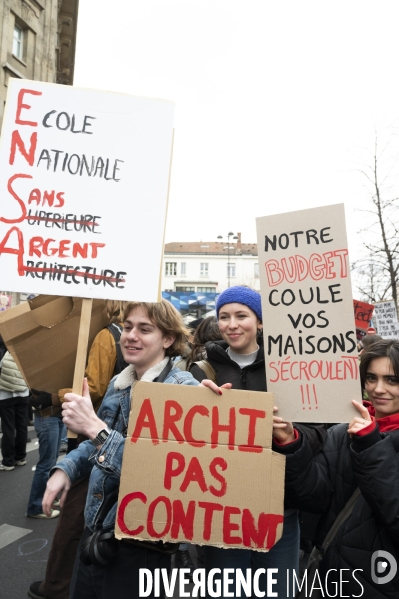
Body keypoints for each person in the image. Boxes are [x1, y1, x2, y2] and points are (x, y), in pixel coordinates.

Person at [41, 300, 223, 599]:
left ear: (168, 339)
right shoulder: (119, 383)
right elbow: (96, 444)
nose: (130, 336)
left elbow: (164, 471)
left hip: (141, 545)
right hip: (96, 531)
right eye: (127, 327)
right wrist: (67, 468)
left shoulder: (183, 391)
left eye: (144, 329)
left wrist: (95, 428)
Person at [189, 285, 326, 598]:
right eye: (224, 317)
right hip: (222, 510)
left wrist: (293, 435)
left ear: (260, 322)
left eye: (241, 315)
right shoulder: (201, 371)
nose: (232, 324)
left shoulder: (289, 368)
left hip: (279, 510)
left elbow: (320, 429)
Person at [272, 338, 399, 598]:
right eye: (371, 378)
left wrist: (370, 446)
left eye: (392, 380)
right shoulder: (344, 431)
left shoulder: (363, 437)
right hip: (332, 577)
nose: (378, 389)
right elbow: (313, 495)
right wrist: (290, 444)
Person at [29, 300, 128, 599]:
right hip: (97, 443)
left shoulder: (107, 335)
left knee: (75, 520)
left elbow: (93, 387)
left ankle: (57, 585)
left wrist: (54, 395)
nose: (133, 336)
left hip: (94, 435)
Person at [0, 350, 30, 471]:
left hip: (6, 395)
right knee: (22, 426)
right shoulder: (23, 351)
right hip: (23, 394)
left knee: (8, 428)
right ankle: (20, 457)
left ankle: (8, 461)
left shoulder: (3, 354)